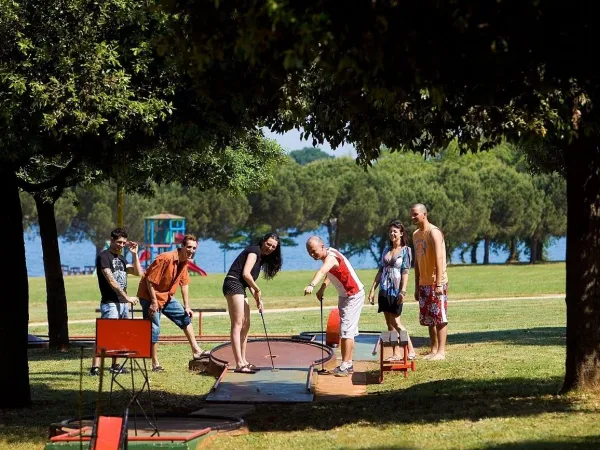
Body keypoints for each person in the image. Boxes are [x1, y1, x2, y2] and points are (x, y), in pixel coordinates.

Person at [137, 234, 208, 371]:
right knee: (155, 328)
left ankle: (196, 350)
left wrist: (187, 306)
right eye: (189, 247)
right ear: (182, 246)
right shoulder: (165, 258)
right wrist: (153, 302)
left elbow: (184, 284)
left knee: (184, 317)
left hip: (166, 296)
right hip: (149, 296)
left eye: (194, 248)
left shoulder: (185, 262)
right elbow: (149, 280)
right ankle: (155, 364)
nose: (191, 250)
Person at [304, 236, 365, 377]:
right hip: (344, 296)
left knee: (346, 331)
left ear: (322, 246)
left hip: (353, 294)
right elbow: (330, 273)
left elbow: (322, 271)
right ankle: (348, 363)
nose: (313, 255)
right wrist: (322, 289)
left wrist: (312, 285)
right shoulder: (329, 255)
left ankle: (345, 365)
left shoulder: (331, 257)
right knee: (347, 330)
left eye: (314, 251)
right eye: (309, 253)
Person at [222, 233, 283, 374]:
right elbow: (245, 274)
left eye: (273, 247)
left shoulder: (261, 258)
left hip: (240, 286)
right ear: (263, 241)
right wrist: (257, 289)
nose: (270, 248)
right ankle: (239, 364)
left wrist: (257, 298)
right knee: (237, 324)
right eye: (268, 244)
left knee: (246, 324)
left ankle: (244, 361)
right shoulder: (254, 251)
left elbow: (248, 282)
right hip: (232, 283)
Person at [90, 227, 142, 376]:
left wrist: (135, 254)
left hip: (123, 303)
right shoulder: (104, 257)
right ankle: (95, 368)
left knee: (120, 334)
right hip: (111, 302)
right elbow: (111, 281)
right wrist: (127, 298)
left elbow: (138, 272)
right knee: (105, 334)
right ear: (111, 240)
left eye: (124, 243)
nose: (121, 245)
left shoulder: (121, 259)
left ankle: (116, 366)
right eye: (119, 242)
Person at [368, 220, 416, 361]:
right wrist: (372, 289)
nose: (392, 234)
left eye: (395, 231)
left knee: (397, 322)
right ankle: (396, 353)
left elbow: (405, 272)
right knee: (390, 324)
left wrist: (403, 291)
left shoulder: (406, 250)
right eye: (390, 231)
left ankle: (411, 350)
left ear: (401, 233)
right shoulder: (386, 250)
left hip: (396, 290)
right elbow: (381, 270)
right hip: (384, 290)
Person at [411, 203, 449, 360]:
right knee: (429, 318)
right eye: (411, 214)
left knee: (439, 316)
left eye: (415, 214)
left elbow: (439, 258)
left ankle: (441, 351)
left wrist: (439, 283)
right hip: (424, 283)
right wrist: (416, 286)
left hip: (436, 282)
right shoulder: (415, 235)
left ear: (424, 214)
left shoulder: (434, 232)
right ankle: (433, 349)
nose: (412, 217)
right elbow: (417, 262)